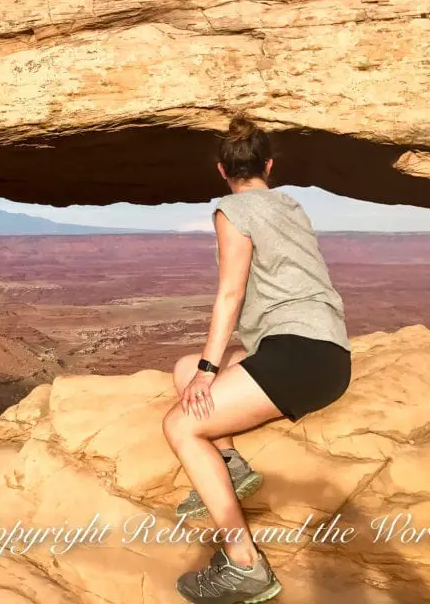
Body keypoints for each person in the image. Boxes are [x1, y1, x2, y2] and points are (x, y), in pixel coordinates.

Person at [165, 115, 352, 604]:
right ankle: (230, 465)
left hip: (300, 355)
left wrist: (212, 371)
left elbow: (231, 292)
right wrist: (200, 369)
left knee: (181, 426)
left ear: (220, 170)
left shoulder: (232, 210)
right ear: (267, 165)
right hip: (323, 351)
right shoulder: (290, 204)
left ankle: (245, 564)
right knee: (184, 370)